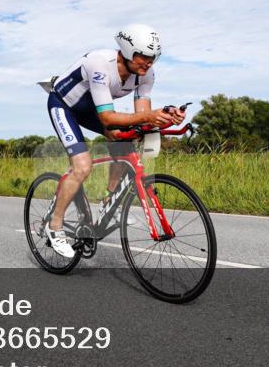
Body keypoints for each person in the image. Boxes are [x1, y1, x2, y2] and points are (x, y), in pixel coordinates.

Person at [43, 24, 184, 258]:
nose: (148, 63)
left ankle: (109, 199)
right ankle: (54, 226)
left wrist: (165, 117)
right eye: (144, 57)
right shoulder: (99, 64)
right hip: (64, 105)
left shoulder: (145, 75)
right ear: (128, 51)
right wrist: (148, 116)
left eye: (153, 58)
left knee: (124, 141)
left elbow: (141, 115)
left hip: (93, 110)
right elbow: (107, 117)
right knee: (82, 166)